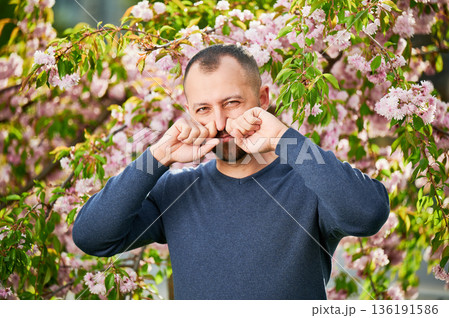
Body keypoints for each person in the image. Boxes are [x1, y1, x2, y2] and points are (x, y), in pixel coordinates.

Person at [72, 44, 390, 300]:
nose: (220, 122)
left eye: (232, 102)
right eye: (203, 109)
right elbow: (91, 237)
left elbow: (367, 214)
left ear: (263, 99)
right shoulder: (175, 191)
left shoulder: (309, 181)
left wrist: (285, 139)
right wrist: (156, 157)